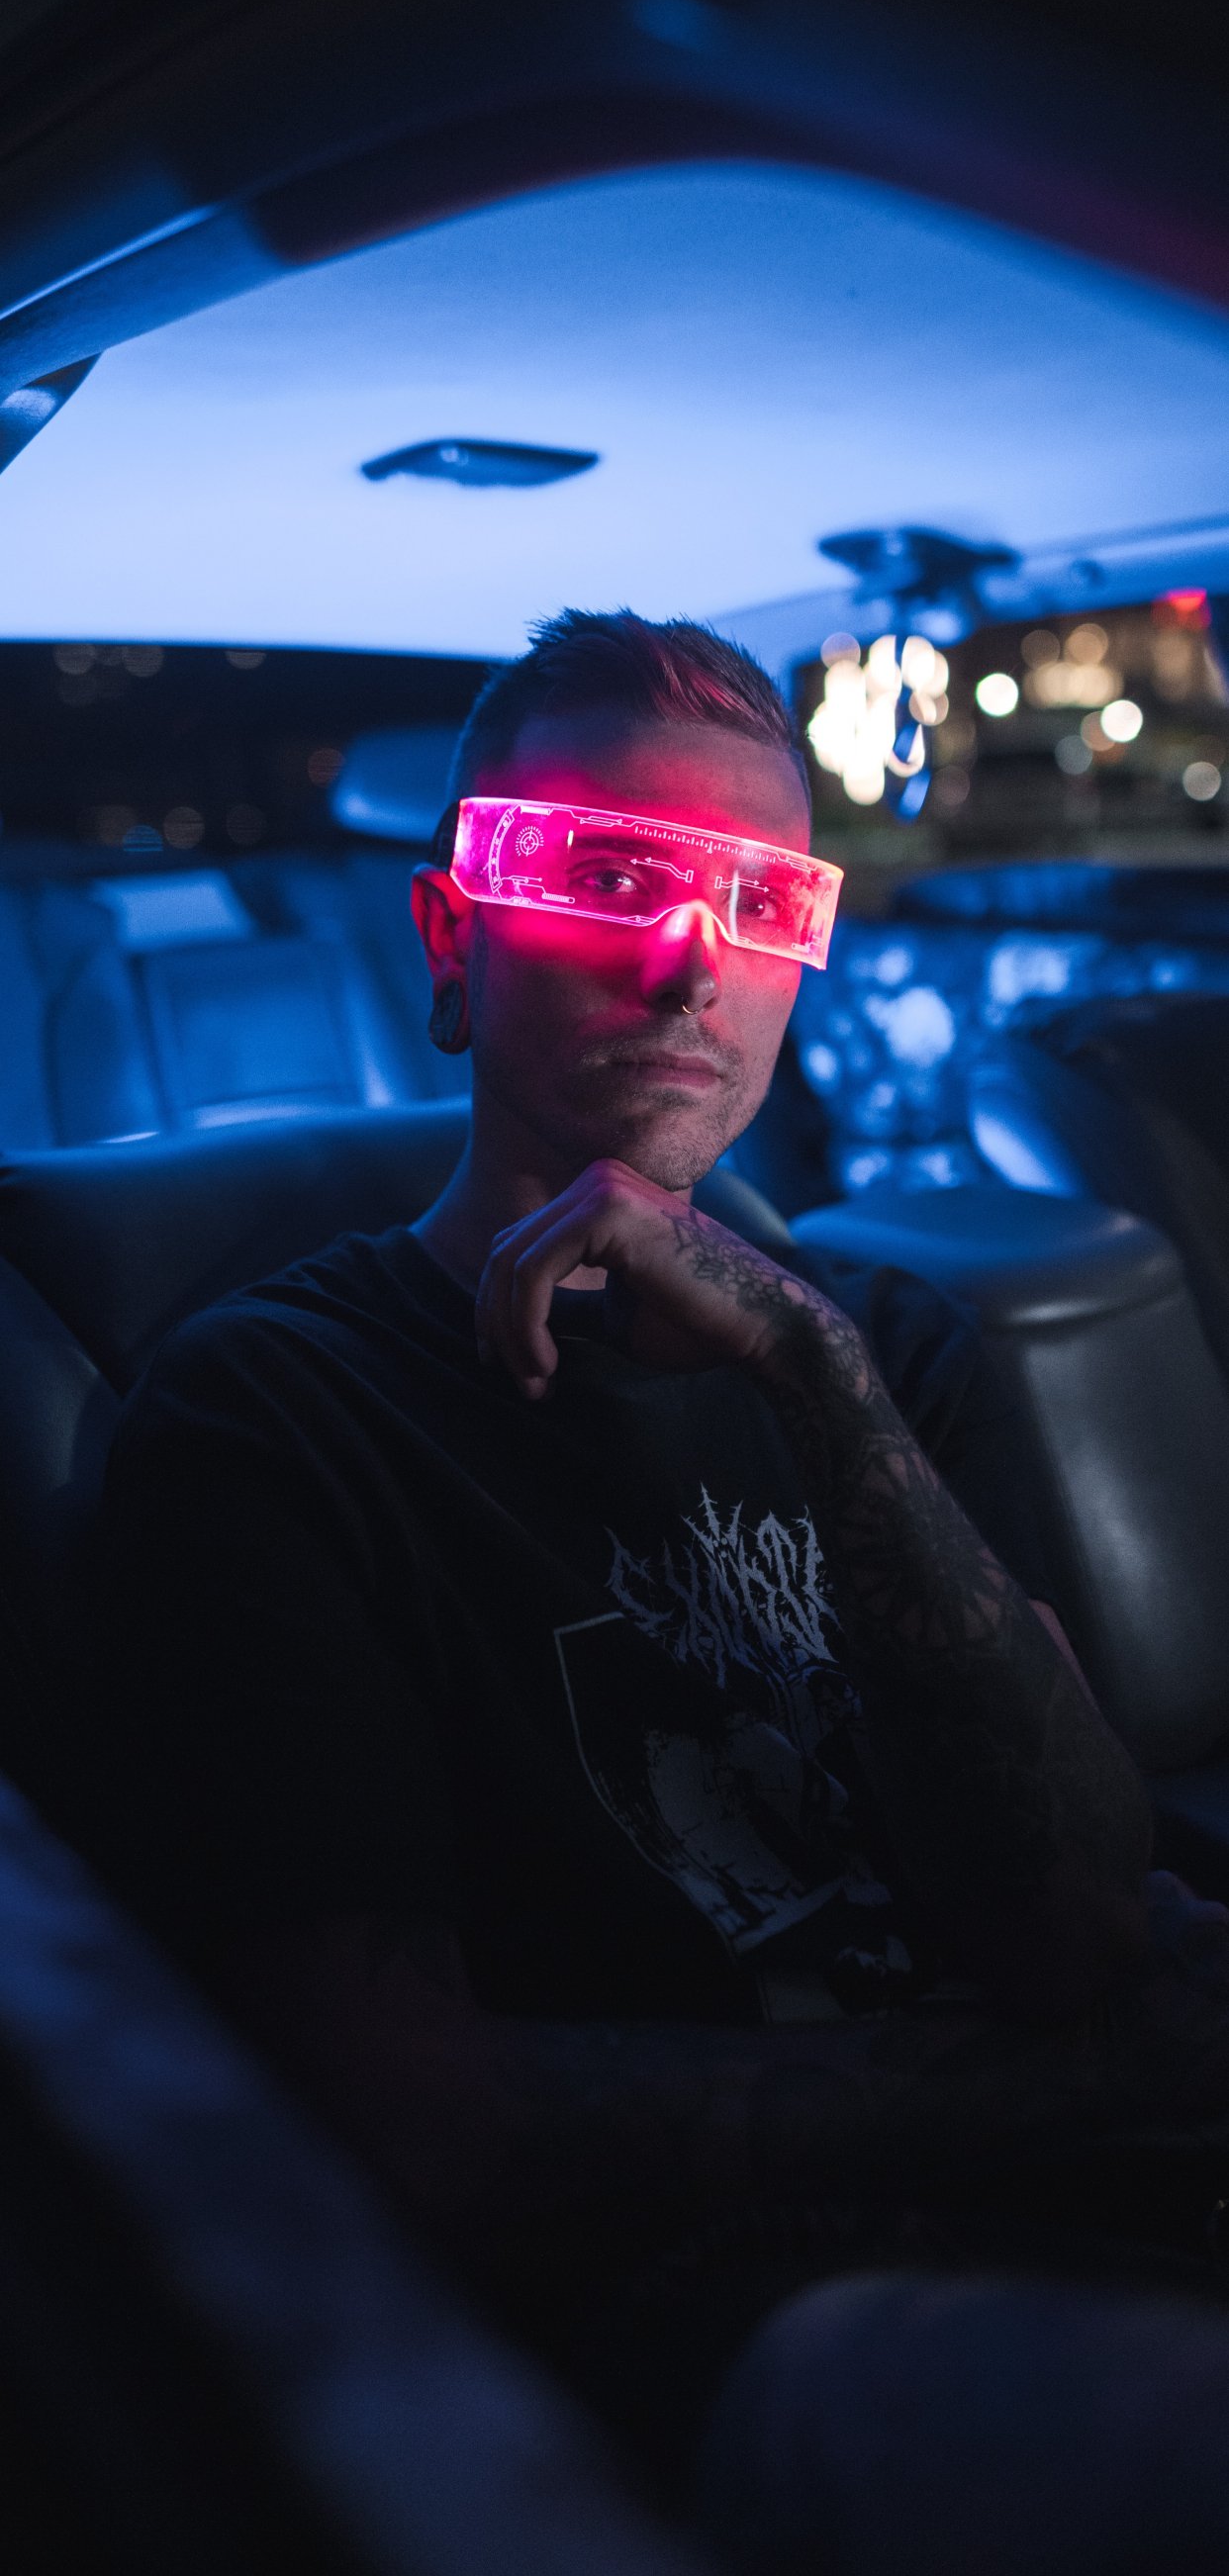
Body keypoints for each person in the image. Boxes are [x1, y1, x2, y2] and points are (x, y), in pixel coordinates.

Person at [67, 610, 1164, 2458]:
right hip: (707, 2312)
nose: (686, 965)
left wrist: (815, 1376)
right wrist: (1059, 2087)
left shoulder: (879, 1349)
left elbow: (1074, 1928)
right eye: (606, 880)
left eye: (759, 904)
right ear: (451, 940)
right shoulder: (275, 1412)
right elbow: (410, 2120)